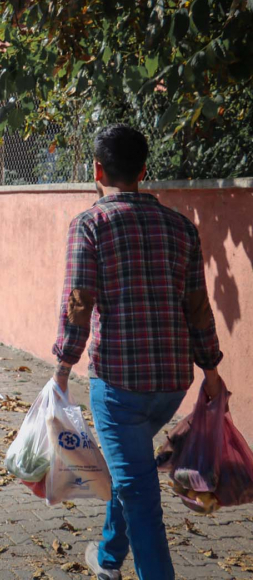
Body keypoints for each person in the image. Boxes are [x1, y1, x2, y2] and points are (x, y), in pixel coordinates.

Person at [52, 125, 223, 580]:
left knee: (139, 494)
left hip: (119, 387)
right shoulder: (182, 228)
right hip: (171, 384)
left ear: (98, 171)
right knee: (132, 475)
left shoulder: (89, 225)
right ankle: (109, 558)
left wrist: (63, 367)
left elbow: (79, 304)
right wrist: (211, 369)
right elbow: (197, 307)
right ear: (145, 170)